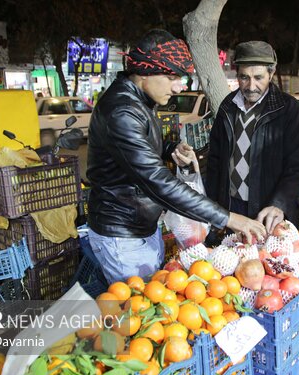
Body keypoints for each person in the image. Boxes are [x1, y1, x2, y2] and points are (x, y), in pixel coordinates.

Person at [86, 29, 266, 283]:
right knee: (137, 311)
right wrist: (228, 218)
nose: (178, 86)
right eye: (171, 76)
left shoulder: (139, 102)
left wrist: (171, 148)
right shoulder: (122, 112)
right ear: (146, 71)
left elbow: (140, 148)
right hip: (123, 234)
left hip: (140, 228)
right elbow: (158, 182)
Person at [206, 40, 299, 234]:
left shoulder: (290, 111)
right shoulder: (228, 107)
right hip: (232, 212)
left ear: (271, 73)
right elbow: (215, 159)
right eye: (244, 77)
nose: (251, 86)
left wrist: (280, 203)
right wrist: (214, 207)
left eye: (258, 77)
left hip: (268, 213)